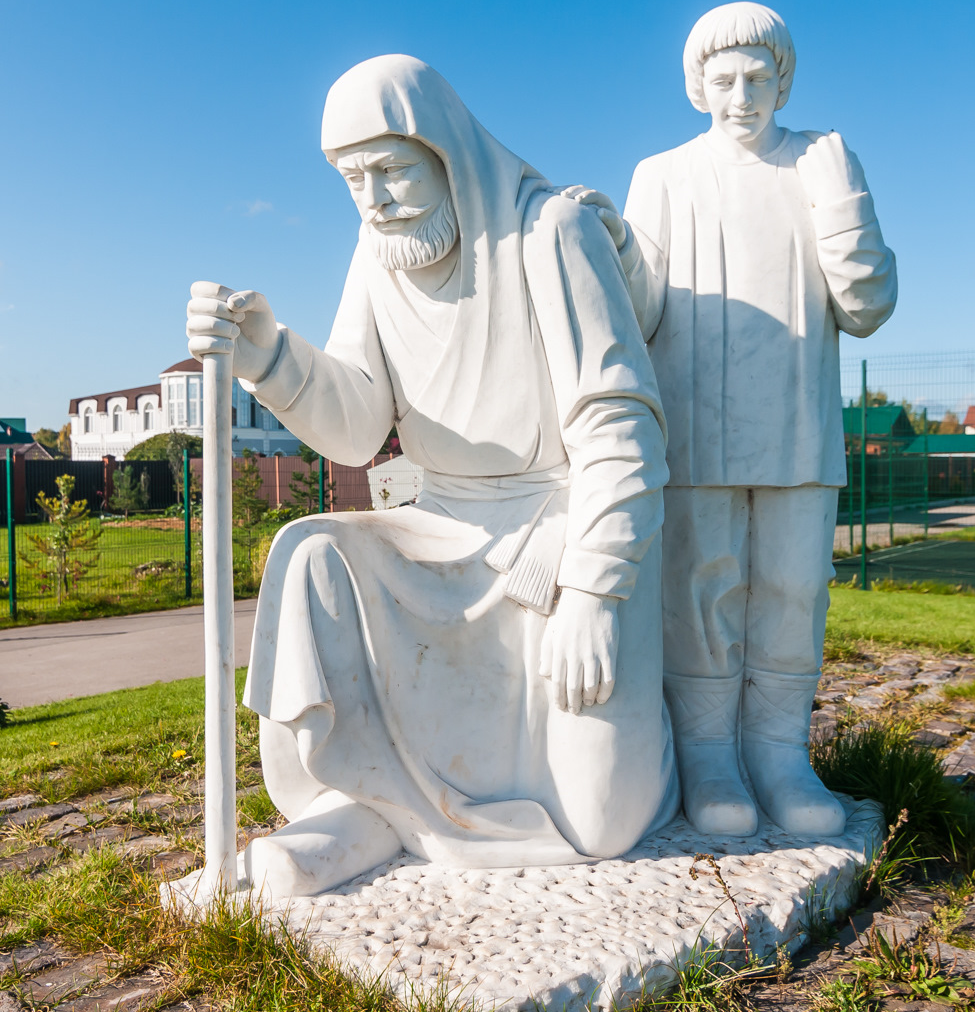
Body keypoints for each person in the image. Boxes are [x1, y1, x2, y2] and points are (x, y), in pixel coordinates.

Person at [186, 55, 676, 897]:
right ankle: (361, 806)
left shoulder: (549, 232)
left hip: (561, 536)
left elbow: (619, 426)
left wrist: (597, 594)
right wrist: (269, 355)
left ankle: (642, 762)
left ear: (443, 149)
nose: (374, 199)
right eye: (351, 180)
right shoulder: (376, 257)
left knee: (602, 821)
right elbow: (356, 425)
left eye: (391, 171)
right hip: (441, 523)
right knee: (310, 550)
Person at [622, 2, 897, 837]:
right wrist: (612, 249)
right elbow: (637, 310)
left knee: (790, 592)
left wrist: (839, 195)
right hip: (696, 434)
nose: (740, 95)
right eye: (722, 79)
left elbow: (868, 305)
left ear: (783, 80)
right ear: (695, 85)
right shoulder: (663, 175)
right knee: (705, 597)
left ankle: (781, 756)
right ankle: (708, 757)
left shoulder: (818, 164)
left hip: (797, 428)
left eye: (757, 78)